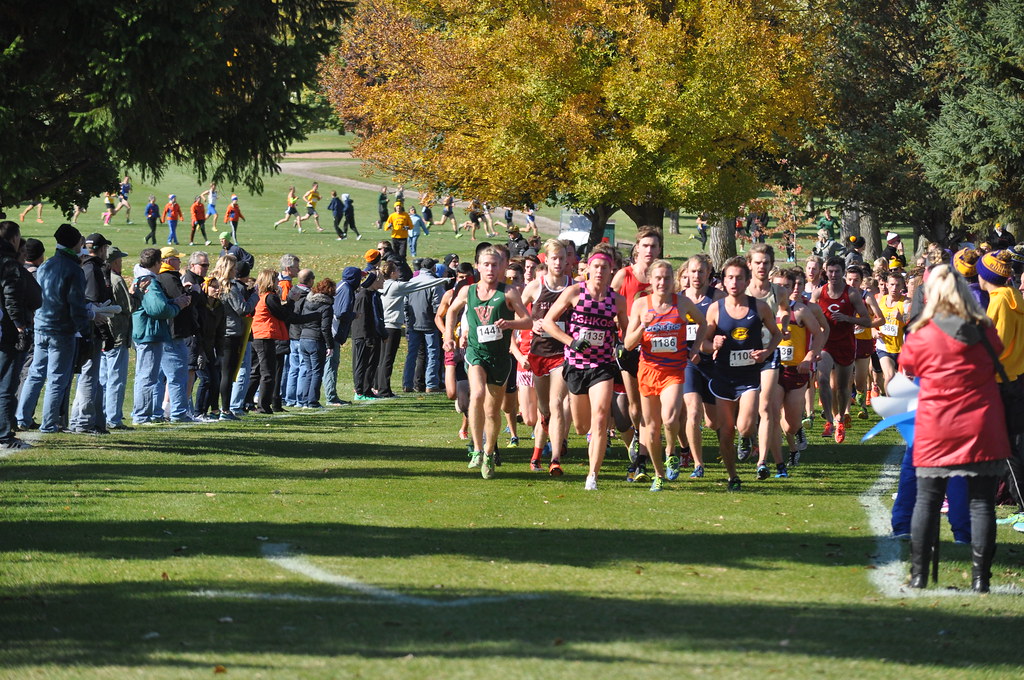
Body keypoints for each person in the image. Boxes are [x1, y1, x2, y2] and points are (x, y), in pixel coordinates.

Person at [900, 264, 1011, 592]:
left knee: (928, 501)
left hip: (937, 425)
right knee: (981, 504)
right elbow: (998, 357)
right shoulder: (985, 330)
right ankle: (981, 580)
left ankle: (919, 575)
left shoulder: (922, 332)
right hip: (980, 423)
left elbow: (908, 366)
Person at [542, 244, 627, 490]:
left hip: (602, 365)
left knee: (600, 417)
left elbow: (625, 330)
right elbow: (548, 323)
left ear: (612, 271)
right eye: (596, 267)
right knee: (581, 426)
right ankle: (587, 441)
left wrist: (627, 339)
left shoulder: (617, 300)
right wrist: (572, 342)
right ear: (588, 269)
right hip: (576, 365)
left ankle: (592, 475)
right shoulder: (574, 292)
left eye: (605, 268)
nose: (600, 271)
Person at [444, 246, 531, 479]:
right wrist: (448, 337)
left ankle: (490, 453)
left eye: (495, 264)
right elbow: (451, 312)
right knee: (477, 393)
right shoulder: (468, 291)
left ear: (502, 267)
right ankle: (477, 448)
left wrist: (510, 325)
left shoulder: (509, 293)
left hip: (500, 357)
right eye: (486, 264)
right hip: (475, 352)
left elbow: (528, 321)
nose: (490, 269)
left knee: (493, 412)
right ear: (478, 267)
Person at [623, 260, 706, 491]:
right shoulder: (641, 305)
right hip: (648, 371)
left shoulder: (683, 303)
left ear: (674, 280)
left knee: (669, 419)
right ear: (651, 280)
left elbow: (703, 323)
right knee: (651, 428)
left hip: (674, 370)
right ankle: (658, 474)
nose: (662, 282)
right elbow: (628, 345)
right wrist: (642, 326)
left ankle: (671, 452)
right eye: (658, 278)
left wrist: (695, 349)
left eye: (667, 278)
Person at [701, 256, 781, 491]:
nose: (734, 282)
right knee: (725, 432)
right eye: (730, 278)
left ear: (747, 281)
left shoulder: (760, 307)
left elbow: (776, 334)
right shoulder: (715, 309)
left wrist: (766, 352)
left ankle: (747, 438)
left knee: (744, 426)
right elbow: (703, 343)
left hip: (749, 377)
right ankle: (732, 476)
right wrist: (712, 344)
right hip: (723, 377)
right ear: (723, 282)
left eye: (739, 278)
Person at [17, 224, 90, 433]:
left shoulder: (47, 265)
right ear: (75, 243)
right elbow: (76, 304)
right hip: (61, 328)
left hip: (41, 325)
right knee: (57, 377)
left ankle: (22, 417)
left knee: (36, 373)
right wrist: (84, 332)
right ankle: (49, 423)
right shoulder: (73, 269)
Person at [611, 228, 662, 480]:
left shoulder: (662, 277)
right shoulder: (624, 276)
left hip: (654, 349)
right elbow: (607, 305)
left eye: (654, 246)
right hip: (627, 346)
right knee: (633, 408)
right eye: (645, 246)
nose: (649, 251)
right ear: (637, 248)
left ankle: (642, 459)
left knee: (646, 406)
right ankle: (637, 442)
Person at [522, 240, 574, 475]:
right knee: (544, 409)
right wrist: (531, 323)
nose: (559, 263)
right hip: (539, 353)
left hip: (563, 354)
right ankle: (536, 456)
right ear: (547, 259)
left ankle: (555, 458)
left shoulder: (573, 287)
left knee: (557, 403)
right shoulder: (535, 286)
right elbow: (517, 308)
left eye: (563, 258)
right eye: (554, 258)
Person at [811, 255, 872, 443]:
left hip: (846, 343)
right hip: (826, 343)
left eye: (837, 271)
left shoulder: (851, 294)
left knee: (842, 388)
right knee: (822, 380)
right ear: (825, 272)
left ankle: (841, 420)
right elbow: (809, 316)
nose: (834, 275)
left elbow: (867, 320)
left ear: (843, 273)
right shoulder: (818, 293)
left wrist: (848, 319)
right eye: (830, 271)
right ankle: (829, 419)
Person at [771, 269, 825, 468]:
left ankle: (794, 435)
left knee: (791, 423)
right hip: (773, 370)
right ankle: (781, 457)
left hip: (797, 370)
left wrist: (810, 356)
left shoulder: (801, 310)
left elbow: (819, 333)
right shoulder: (764, 309)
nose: (782, 290)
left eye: (786, 286)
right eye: (778, 286)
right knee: (772, 413)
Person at [130, 248, 189, 425]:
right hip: (149, 332)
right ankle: (141, 416)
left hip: (147, 332)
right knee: (147, 377)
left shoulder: (143, 278)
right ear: (157, 263)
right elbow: (158, 309)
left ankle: (146, 414)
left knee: (147, 376)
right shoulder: (149, 281)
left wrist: (173, 302)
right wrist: (177, 307)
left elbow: (157, 304)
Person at [250, 269, 317, 414]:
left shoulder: (265, 296)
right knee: (268, 373)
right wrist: (292, 301)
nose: (278, 283)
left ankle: (247, 402)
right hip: (265, 336)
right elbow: (284, 315)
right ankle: (262, 406)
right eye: (275, 280)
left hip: (260, 335)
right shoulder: (270, 297)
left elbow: (282, 314)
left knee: (257, 372)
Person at [679, 254, 722, 479]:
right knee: (692, 412)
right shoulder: (678, 299)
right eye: (693, 271)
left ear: (708, 274)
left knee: (714, 422)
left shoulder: (718, 298)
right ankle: (698, 463)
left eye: (701, 272)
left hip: (714, 364)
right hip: (688, 364)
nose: (696, 276)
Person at [0, 221, 42, 449]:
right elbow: (12, 296)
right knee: (7, 384)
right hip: (7, 331)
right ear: (14, 239)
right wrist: (19, 326)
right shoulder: (9, 265)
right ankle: (5, 436)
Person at [69, 232, 113, 434]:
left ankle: (79, 420)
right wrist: (105, 332)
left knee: (87, 377)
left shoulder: (85, 265)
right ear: (101, 248)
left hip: (85, 330)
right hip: (90, 331)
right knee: (89, 377)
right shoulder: (93, 269)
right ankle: (84, 422)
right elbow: (93, 304)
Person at [155, 247, 200, 422]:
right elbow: (184, 303)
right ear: (167, 261)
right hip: (175, 332)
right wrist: (193, 291)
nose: (179, 262)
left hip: (164, 332)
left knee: (159, 376)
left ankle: (157, 411)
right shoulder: (170, 278)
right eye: (176, 258)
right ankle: (179, 412)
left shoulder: (158, 278)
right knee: (177, 375)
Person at [214, 255, 257, 420]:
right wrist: (255, 296)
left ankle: (217, 408)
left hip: (219, 331)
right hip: (230, 332)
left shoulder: (214, 284)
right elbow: (242, 309)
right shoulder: (229, 287)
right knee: (228, 373)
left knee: (221, 372)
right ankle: (225, 409)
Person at [404, 258, 446, 394]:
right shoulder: (435, 283)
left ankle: (407, 383)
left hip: (413, 323)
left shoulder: (411, 282)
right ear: (433, 268)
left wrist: (407, 320)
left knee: (412, 354)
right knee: (433, 353)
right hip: (429, 323)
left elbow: (405, 304)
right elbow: (438, 306)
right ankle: (431, 383)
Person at [296, 278, 335, 408]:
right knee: (317, 371)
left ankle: (304, 399)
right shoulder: (326, 307)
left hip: (304, 338)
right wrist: (330, 345)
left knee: (309, 371)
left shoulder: (307, 302)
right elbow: (325, 327)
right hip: (315, 340)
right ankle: (312, 401)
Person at [351, 271, 385, 400]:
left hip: (372, 334)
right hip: (364, 336)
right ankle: (359, 392)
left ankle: (367, 389)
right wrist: (367, 337)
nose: (383, 282)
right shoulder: (364, 295)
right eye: (381, 279)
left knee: (371, 363)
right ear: (374, 281)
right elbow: (361, 318)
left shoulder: (373, 295)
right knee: (362, 364)